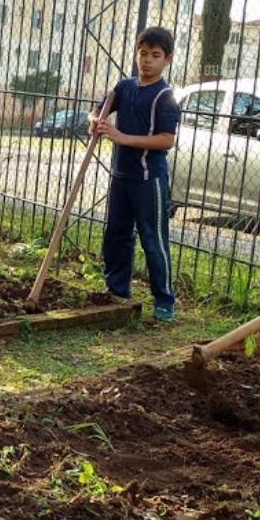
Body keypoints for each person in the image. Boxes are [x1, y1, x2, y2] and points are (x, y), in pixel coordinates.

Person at [91, 26, 181, 323]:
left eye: (155, 55)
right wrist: (96, 122)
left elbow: (166, 140)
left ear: (167, 59)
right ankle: (117, 289)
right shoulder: (124, 87)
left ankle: (164, 299)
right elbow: (99, 110)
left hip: (148, 179)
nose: (147, 61)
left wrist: (121, 136)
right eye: (143, 53)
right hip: (121, 175)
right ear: (135, 54)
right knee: (116, 232)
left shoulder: (164, 96)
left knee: (153, 237)